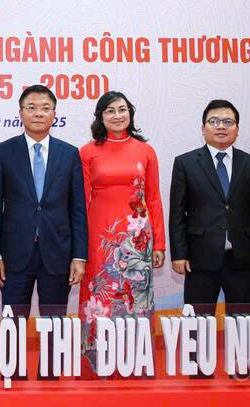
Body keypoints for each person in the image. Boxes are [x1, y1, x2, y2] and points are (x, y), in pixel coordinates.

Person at [78, 91, 165, 375]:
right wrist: (80, 246)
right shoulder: (87, 152)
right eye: (110, 111)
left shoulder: (145, 151)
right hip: (99, 238)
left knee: (135, 296)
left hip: (137, 238)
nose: (117, 115)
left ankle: (136, 359)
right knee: (100, 296)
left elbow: (154, 199)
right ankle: (97, 360)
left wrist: (159, 243)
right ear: (100, 117)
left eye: (122, 109)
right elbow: (81, 201)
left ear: (130, 113)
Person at [0, 84, 88, 318]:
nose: (38, 113)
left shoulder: (69, 154)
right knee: (13, 324)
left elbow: (78, 209)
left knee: (55, 325)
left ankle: (52, 348)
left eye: (45, 108)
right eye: (31, 107)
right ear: (20, 113)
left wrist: (79, 256)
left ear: (54, 114)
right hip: (13, 255)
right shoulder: (3, 152)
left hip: (58, 253)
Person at [169, 99, 250, 315]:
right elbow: (177, 214)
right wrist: (179, 254)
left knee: (242, 323)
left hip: (242, 259)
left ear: (237, 129)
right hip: (199, 259)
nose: (221, 127)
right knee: (198, 324)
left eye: (228, 122)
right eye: (214, 121)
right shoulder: (185, 163)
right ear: (203, 128)